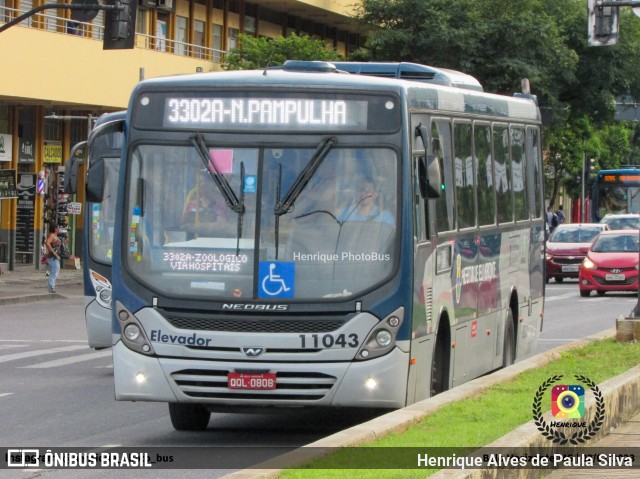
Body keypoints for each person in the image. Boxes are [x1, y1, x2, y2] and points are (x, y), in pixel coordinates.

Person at [44, 222, 62, 293]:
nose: (59, 229)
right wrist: (53, 252)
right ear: (55, 229)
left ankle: (52, 286)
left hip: (54, 257)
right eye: (58, 228)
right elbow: (47, 243)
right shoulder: (52, 235)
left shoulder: (55, 236)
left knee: (55, 272)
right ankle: (51, 287)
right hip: (53, 258)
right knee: (54, 272)